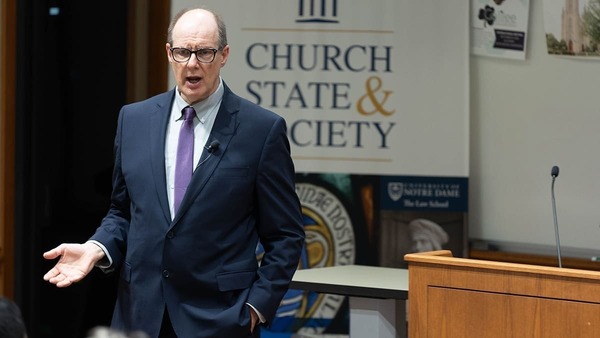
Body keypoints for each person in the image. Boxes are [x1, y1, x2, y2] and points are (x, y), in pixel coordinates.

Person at [42, 6, 305, 338]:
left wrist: (255, 309)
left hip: (220, 320)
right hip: (139, 316)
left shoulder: (261, 130)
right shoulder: (133, 120)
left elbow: (286, 235)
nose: (192, 63)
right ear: (169, 53)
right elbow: (123, 212)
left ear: (224, 55)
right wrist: (96, 248)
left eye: (204, 52)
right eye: (183, 52)